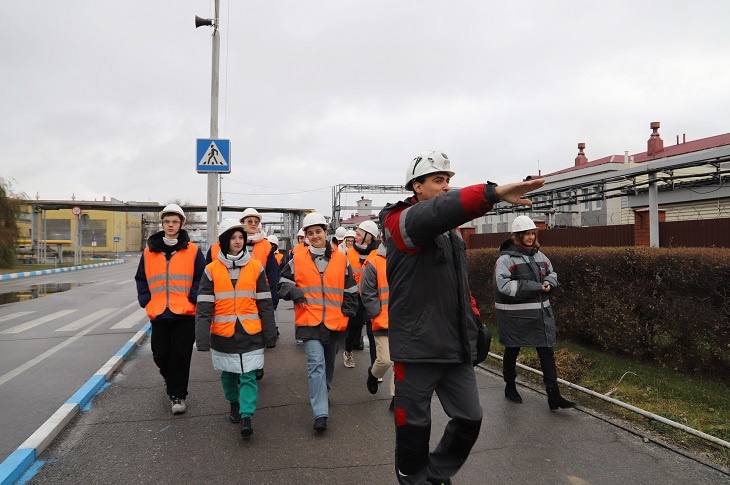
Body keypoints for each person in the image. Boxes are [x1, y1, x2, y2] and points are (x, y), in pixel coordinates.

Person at [380, 150, 544, 485]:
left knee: (470, 418)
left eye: (449, 181)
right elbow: (440, 211)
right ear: (417, 186)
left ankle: (435, 474)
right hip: (417, 348)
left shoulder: (451, 234)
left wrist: (472, 321)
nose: (445, 187)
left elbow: (459, 285)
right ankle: (412, 478)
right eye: (438, 180)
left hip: (455, 346)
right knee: (414, 427)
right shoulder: (400, 221)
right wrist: (491, 193)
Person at [195, 219, 278, 439]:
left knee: (249, 375)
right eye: (233, 238)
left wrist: (270, 333)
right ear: (224, 241)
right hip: (223, 333)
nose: (238, 241)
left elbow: (265, 304)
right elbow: (204, 307)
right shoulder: (211, 270)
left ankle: (247, 415)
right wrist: (201, 338)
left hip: (251, 331)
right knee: (229, 375)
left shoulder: (256, 267)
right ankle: (233, 402)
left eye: (241, 237)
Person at [277, 212, 359, 431]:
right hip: (308, 320)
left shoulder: (341, 259)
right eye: (310, 233)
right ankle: (320, 413)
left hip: (334, 322)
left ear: (326, 232)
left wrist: (347, 313)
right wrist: (293, 291)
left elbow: (351, 289)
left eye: (318, 231)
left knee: (329, 365)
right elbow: (282, 284)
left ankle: (323, 393)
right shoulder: (297, 259)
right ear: (305, 235)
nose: (315, 236)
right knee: (316, 365)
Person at [494, 215, 575, 411]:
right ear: (517, 236)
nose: (530, 237)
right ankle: (510, 387)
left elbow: (551, 272)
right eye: (526, 234)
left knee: (546, 351)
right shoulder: (505, 260)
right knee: (512, 349)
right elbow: (504, 286)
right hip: (514, 316)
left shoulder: (539, 255)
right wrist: (536, 286)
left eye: (532, 233)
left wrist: (549, 282)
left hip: (539, 314)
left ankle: (553, 395)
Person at [135, 203, 206, 415]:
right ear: (162, 224)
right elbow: (141, 278)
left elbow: (200, 277)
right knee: (160, 354)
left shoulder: (192, 250)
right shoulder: (149, 252)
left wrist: (193, 299)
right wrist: (146, 300)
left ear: (182, 224)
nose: (170, 225)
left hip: (184, 313)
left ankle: (178, 395)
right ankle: (172, 380)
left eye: (175, 221)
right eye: (167, 221)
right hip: (159, 313)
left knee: (180, 356)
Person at [209, 208, 280, 379]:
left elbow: (273, 274)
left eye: (256, 222)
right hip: (231, 299)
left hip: (258, 296)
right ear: (242, 224)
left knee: (256, 332)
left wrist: (273, 298)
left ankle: (255, 365)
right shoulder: (217, 249)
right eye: (250, 221)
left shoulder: (266, 245)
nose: (254, 225)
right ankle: (237, 370)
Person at [359, 230, 394, 411]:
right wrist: (376, 314)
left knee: (401, 363)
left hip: (404, 321)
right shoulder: (373, 263)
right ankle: (373, 374)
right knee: (385, 360)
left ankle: (397, 398)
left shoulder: (407, 259)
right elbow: (367, 291)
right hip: (382, 321)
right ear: (383, 238)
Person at [342, 220, 379, 368]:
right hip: (355, 296)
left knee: (372, 331)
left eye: (358, 234)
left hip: (371, 297)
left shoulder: (378, 254)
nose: (355, 237)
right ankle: (348, 352)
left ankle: (374, 366)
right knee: (354, 326)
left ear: (369, 236)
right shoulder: (349, 253)